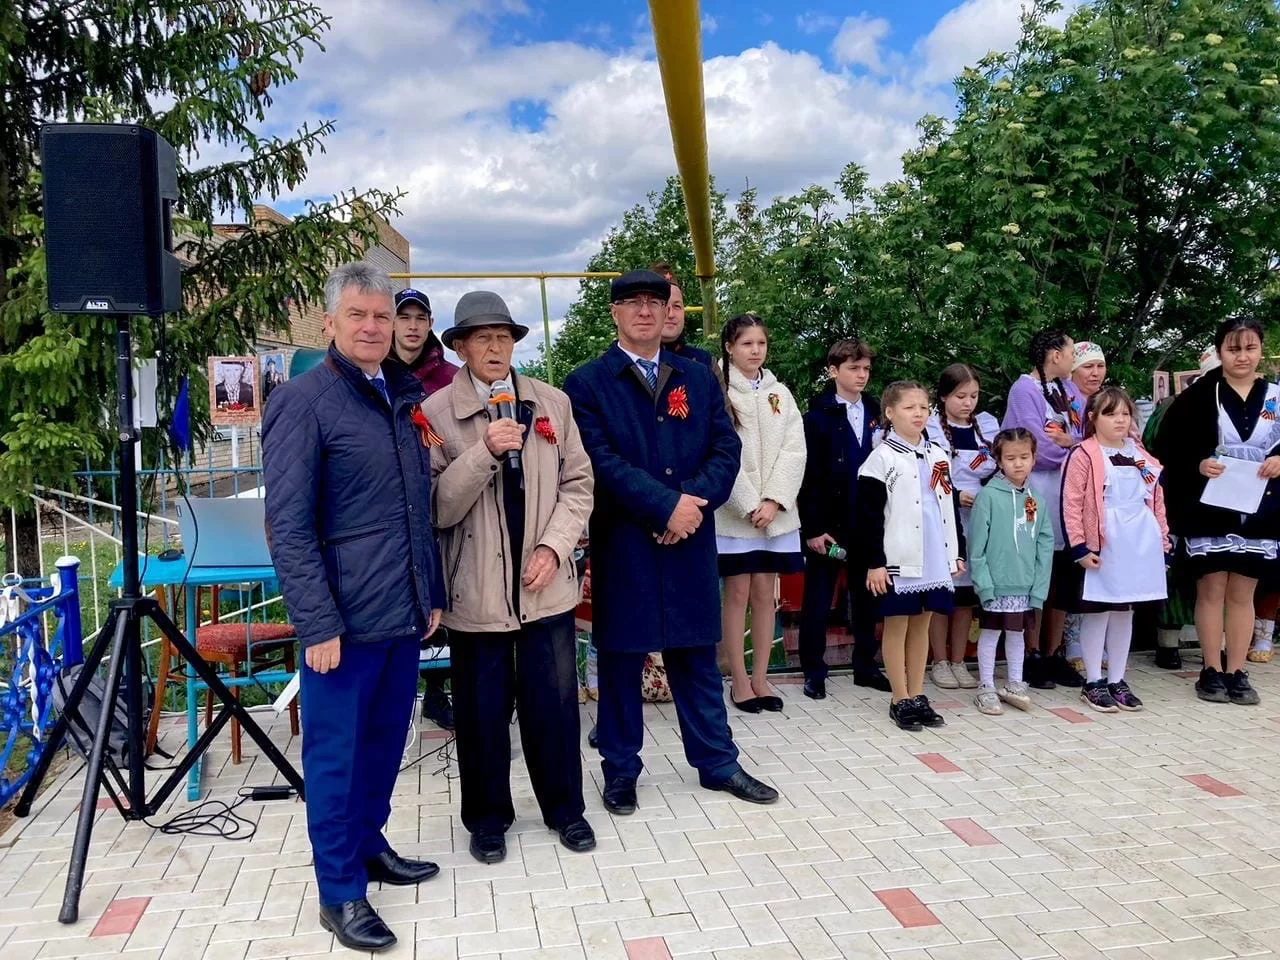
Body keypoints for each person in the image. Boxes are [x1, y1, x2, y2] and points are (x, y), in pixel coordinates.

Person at [262, 262, 444, 953]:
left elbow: (412, 513)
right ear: (330, 324)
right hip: (341, 624)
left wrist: (430, 595)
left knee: (383, 745)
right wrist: (316, 621)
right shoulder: (304, 401)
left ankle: (369, 848)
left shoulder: (398, 395)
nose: (373, 328)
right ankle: (340, 892)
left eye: (382, 316)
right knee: (335, 760)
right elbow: (288, 524)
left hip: (400, 612)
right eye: (358, 316)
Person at [563, 269, 778, 813]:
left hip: (689, 537)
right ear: (614, 313)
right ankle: (620, 770)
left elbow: (725, 451)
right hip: (627, 540)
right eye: (632, 303)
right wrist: (665, 506)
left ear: (668, 314)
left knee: (695, 656)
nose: (644, 312)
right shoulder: (586, 383)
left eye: (655, 303)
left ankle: (717, 762)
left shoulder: (698, 377)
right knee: (620, 658)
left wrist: (688, 504)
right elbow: (598, 461)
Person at [424, 291, 597, 864]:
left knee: (554, 703)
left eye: (504, 337)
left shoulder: (552, 403)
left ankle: (565, 811)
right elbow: (436, 508)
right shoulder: (435, 414)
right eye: (483, 338)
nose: (496, 348)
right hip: (475, 589)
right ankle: (488, 819)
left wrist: (555, 546)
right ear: (461, 347)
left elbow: (579, 484)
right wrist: (484, 453)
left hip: (543, 583)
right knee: (481, 713)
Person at [1155, 316, 1280, 706]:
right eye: (1233, 348)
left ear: (1261, 350)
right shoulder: (1197, 396)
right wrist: (1197, 464)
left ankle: (1237, 670)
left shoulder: (1277, 396)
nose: (1242, 356)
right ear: (1220, 351)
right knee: (1211, 588)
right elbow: (1167, 448)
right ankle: (1210, 669)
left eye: (1249, 348)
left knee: (1243, 592)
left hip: (1261, 505)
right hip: (1209, 505)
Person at [857, 381, 965, 731]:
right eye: (909, 407)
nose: (919, 413)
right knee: (897, 624)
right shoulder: (880, 458)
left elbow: (948, 504)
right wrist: (875, 562)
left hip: (933, 551)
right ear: (889, 413)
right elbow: (869, 518)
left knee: (923, 623)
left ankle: (918, 694)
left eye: (924, 407)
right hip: (898, 555)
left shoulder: (938, 454)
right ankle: (899, 697)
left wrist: (956, 551)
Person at [714, 313, 806, 712]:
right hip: (736, 514)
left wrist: (774, 500)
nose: (755, 350)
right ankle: (737, 679)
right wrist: (750, 502)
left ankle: (761, 678)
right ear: (730, 347)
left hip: (775, 512)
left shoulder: (780, 393)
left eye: (761, 344)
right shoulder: (717, 390)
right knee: (736, 594)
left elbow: (794, 448)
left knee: (765, 596)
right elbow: (720, 450)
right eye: (747, 343)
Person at [1061, 387, 1170, 712]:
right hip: (1105, 539)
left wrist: (1163, 542)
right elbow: (1072, 502)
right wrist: (1079, 546)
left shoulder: (1141, 455)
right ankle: (1093, 679)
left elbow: (1156, 499)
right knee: (1099, 609)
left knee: (1125, 609)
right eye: (1111, 414)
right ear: (1093, 418)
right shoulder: (1083, 454)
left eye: (1125, 413)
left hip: (1139, 539)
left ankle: (1117, 678)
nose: (1120, 420)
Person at [796, 339, 890, 699]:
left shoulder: (879, 411)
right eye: (854, 368)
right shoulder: (816, 416)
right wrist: (813, 528)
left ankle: (865, 666)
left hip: (866, 519)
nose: (862, 375)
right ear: (834, 371)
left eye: (866, 368)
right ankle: (813, 671)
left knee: (867, 596)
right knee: (818, 599)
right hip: (828, 523)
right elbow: (808, 478)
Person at [1000, 329, 1085, 690]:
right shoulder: (1024, 390)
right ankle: (1030, 653)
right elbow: (1033, 445)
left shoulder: (1069, 391)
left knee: (1062, 577)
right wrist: (1072, 452)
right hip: (1035, 492)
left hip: (1067, 495)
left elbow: (1087, 432)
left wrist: (1074, 445)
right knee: (1033, 576)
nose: (1073, 361)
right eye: (1070, 352)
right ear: (1053, 355)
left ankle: (1054, 653)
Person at [391, 287, 460, 730]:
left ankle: (441, 692)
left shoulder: (450, 376)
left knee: (447, 597)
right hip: (393, 500)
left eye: (422, 317)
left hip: (443, 494)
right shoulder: (376, 370)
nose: (414, 326)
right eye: (405, 317)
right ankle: (398, 695)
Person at [968, 428, 1054, 714]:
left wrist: (1038, 588)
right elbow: (976, 547)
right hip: (995, 584)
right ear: (999, 460)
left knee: (1017, 634)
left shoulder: (1037, 500)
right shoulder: (988, 497)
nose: (1018, 463)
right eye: (1010, 457)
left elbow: (1045, 545)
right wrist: (984, 585)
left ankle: (1016, 682)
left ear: (1034, 458)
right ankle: (986, 685)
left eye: (1024, 457)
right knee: (991, 633)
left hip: (1024, 585)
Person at [926, 364, 1000, 691]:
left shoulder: (987, 426)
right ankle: (939, 661)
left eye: (973, 395)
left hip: (979, 518)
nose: (967, 402)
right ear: (943, 396)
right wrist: (955, 495)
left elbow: (1000, 466)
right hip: (943, 514)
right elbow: (927, 470)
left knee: (967, 596)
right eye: (960, 396)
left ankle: (959, 660)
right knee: (944, 591)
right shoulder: (929, 427)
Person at [651, 262, 714, 370]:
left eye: (677, 306)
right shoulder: (629, 362)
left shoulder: (705, 362)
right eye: (663, 305)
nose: (670, 314)